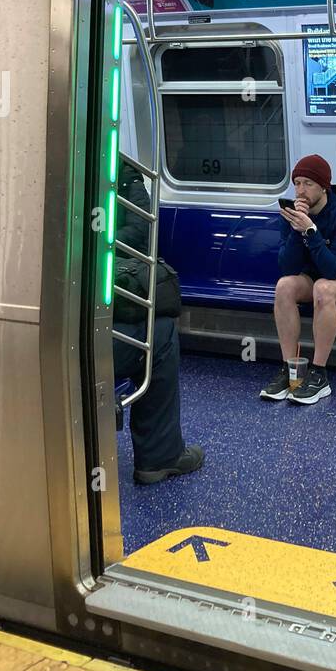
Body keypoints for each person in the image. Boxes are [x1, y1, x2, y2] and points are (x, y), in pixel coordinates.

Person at [113, 168, 204, 482]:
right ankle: (159, 457)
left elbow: (138, 231)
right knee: (159, 333)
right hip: (76, 340)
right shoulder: (119, 175)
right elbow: (137, 232)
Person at [260, 153, 336, 405]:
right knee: (284, 286)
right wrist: (295, 229)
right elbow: (287, 266)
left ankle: (319, 374)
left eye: (308, 184)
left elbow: (334, 269)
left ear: (323, 186)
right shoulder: (291, 212)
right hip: (315, 275)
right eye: (297, 183)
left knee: (323, 289)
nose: (300, 190)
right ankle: (291, 370)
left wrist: (310, 231)